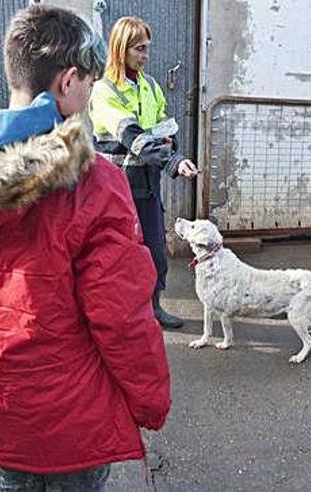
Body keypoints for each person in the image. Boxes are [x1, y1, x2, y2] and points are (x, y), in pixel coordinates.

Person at [0, 5, 171, 492]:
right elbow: (122, 316)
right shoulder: (94, 184)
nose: (90, 91)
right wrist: (149, 399)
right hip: (73, 412)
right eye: (88, 81)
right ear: (68, 82)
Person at [90, 16, 198, 329]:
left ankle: (154, 308)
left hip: (148, 184)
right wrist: (173, 160)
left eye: (147, 48)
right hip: (117, 187)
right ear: (121, 48)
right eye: (140, 48)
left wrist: (170, 143)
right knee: (116, 255)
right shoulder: (104, 90)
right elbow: (132, 136)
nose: (145, 55)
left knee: (154, 251)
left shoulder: (149, 85)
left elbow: (166, 124)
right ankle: (116, 317)